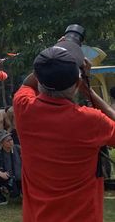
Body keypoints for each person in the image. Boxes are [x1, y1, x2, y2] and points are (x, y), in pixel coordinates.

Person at [14, 41, 115, 221]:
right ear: (77, 83)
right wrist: (89, 91)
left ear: (39, 77)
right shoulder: (91, 121)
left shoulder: (23, 108)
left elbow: (27, 84)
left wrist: (54, 55)